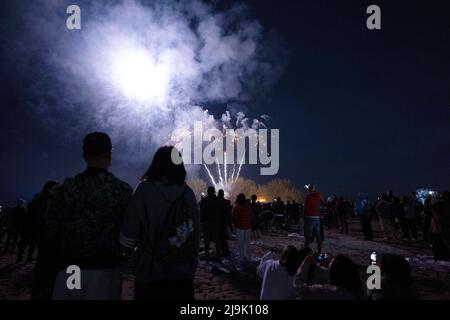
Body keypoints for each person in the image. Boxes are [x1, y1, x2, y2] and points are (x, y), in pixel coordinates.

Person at [46, 132, 133, 300]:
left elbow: (51, 230)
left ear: (84, 154)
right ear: (109, 155)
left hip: (72, 269)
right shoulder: (122, 190)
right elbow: (128, 231)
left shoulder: (66, 188)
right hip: (104, 272)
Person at [120, 146, 200, 300]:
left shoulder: (144, 190)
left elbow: (129, 233)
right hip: (181, 272)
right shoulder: (187, 193)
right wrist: (191, 265)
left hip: (150, 272)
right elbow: (195, 234)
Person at [30, 180, 60, 300]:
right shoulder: (45, 201)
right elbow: (42, 220)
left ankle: (41, 288)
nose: (58, 191)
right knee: (44, 263)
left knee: (45, 263)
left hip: (47, 237)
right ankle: (39, 290)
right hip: (45, 236)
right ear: (49, 189)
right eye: (56, 188)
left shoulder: (49, 201)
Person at [294, 252, 364, 300]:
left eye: (330, 263)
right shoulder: (360, 289)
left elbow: (298, 287)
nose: (328, 263)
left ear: (334, 272)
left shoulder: (325, 291)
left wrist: (306, 262)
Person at [199, 186, 223, 259]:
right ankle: (218, 254)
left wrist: (201, 221)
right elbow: (220, 212)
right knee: (217, 240)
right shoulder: (218, 200)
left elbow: (201, 211)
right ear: (214, 191)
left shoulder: (204, 200)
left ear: (208, 191)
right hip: (216, 222)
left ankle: (207, 256)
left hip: (206, 222)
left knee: (206, 241)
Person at [430, 192, 450, 261]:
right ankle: (443, 256)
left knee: (438, 242)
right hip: (442, 226)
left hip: (439, 226)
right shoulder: (443, 205)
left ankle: (439, 256)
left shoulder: (438, 205)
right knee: (442, 242)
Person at [232, 193, 252, 262]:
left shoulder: (236, 207)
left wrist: (235, 225)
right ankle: (248, 257)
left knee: (241, 243)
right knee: (247, 242)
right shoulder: (248, 206)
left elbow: (234, 218)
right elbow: (251, 215)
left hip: (239, 227)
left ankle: (241, 257)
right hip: (248, 226)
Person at [303, 185, 322, 253]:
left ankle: (306, 251)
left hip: (309, 217)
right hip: (317, 218)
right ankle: (319, 250)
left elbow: (307, 208)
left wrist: (304, 216)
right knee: (318, 235)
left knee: (307, 236)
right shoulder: (318, 197)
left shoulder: (309, 197)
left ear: (309, 190)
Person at [217, 189, 231, 256]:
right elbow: (228, 213)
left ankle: (221, 250)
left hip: (217, 221)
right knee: (222, 237)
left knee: (219, 237)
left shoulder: (216, 201)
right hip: (223, 222)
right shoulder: (226, 202)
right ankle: (225, 250)